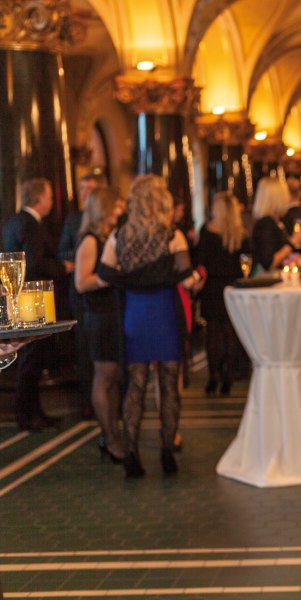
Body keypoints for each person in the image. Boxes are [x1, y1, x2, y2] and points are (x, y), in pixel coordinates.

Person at [99, 174, 202, 478]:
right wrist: (183, 279)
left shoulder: (118, 236)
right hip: (164, 313)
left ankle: (132, 457)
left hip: (135, 313)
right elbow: (186, 278)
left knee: (136, 385)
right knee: (169, 385)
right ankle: (168, 452)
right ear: (161, 201)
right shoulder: (173, 236)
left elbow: (105, 273)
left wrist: (132, 280)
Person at [2, 177, 73, 431]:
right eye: (50, 196)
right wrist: (62, 267)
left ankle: (34, 413)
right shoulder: (30, 224)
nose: (52, 202)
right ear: (39, 198)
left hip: (21, 298)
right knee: (31, 359)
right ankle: (27, 416)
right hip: (31, 299)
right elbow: (32, 265)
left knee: (31, 358)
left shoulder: (14, 221)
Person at [74, 187, 126, 463]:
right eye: (116, 206)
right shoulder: (91, 240)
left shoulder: (108, 237)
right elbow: (81, 282)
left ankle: (113, 433)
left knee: (114, 377)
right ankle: (109, 437)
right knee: (104, 377)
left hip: (112, 313)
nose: (120, 210)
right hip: (99, 316)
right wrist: (107, 278)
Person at [59, 173, 107, 418]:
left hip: (107, 295)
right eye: (83, 188)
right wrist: (81, 257)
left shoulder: (110, 220)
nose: (86, 192)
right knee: (84, 349)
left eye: (91, 188)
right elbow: (63, 251)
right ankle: (87, 404)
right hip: (81, 294)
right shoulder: (74, 219)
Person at [197, 191, 250, 395]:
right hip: (232, 288)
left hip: (211, 288)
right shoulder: (240, 234)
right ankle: (228, 376)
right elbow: (246, 263)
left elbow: (201, 262)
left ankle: (213, 376)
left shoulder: (207, 231)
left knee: (213, 334)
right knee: (229, 333)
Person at [250, 176, 301, 272]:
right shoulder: (266, 224)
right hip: (267, 283)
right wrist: (292, 242)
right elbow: (269, 263)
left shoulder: (274, 221)